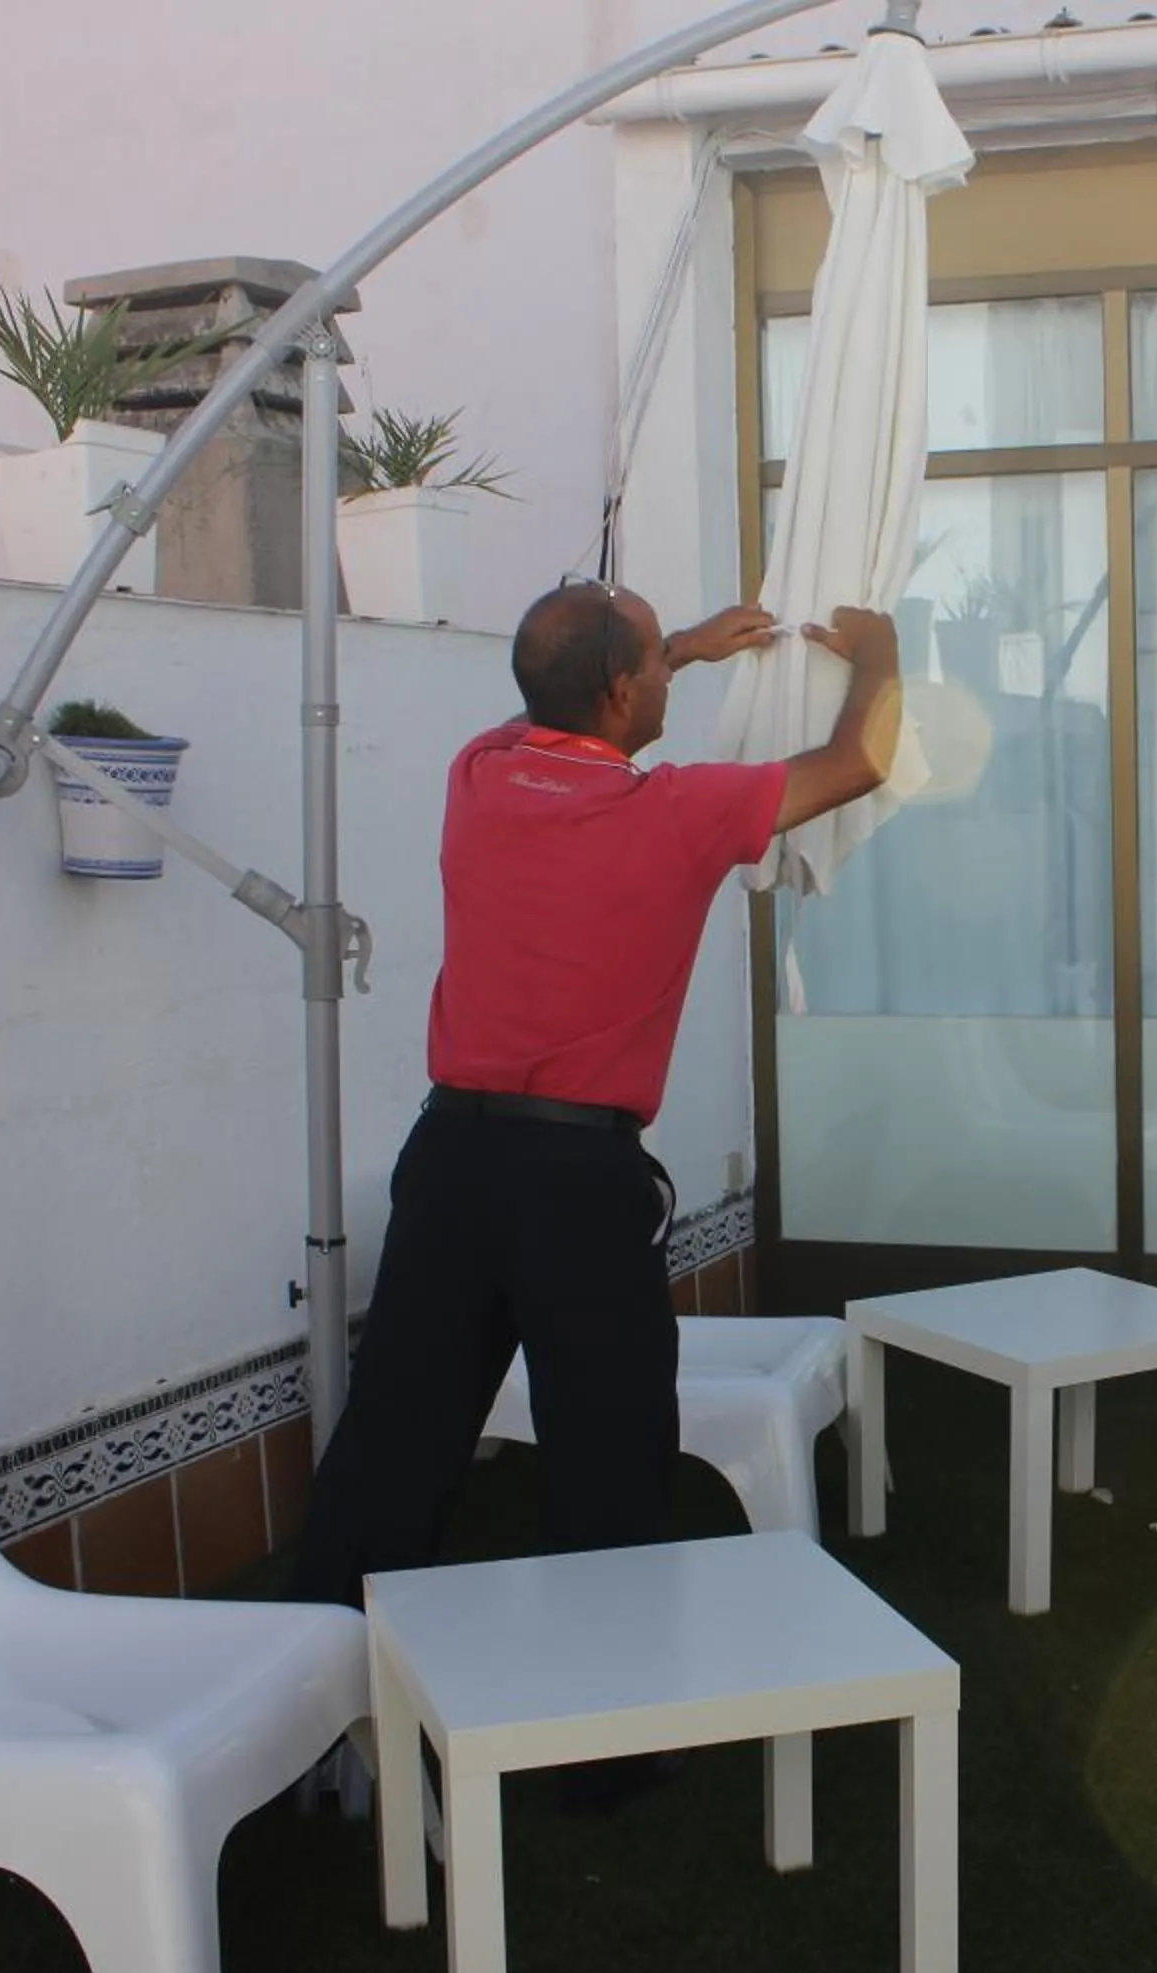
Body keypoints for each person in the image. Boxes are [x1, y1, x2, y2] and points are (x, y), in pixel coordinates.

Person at [287, 587, 902, 1624]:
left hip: (448, 1163)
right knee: (608, 1459)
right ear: (621, 690)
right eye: (658, 664)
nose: (671, 671)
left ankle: (306, 1720)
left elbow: (555, 698)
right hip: (575, 1182)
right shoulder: (674, 810)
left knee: (394, 1444)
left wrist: (690, 648)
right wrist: (882, 655)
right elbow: (861, 761)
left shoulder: (478, 776)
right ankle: (604, 1756)